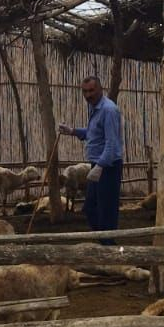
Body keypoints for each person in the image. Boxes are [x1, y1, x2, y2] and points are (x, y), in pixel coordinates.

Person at [58, 77, 123, 244]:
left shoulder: (109, 110)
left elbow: (111, 143)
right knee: (90, 208)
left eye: (91, 91)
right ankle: (105, 242)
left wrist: (100, 166)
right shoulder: (95, 108)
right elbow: (93, 133)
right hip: (97, 165)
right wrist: (73, 131)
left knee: (106, 210)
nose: (88, 95)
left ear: (101, 89)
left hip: (108, 167)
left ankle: (109, 246)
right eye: (85, 91)